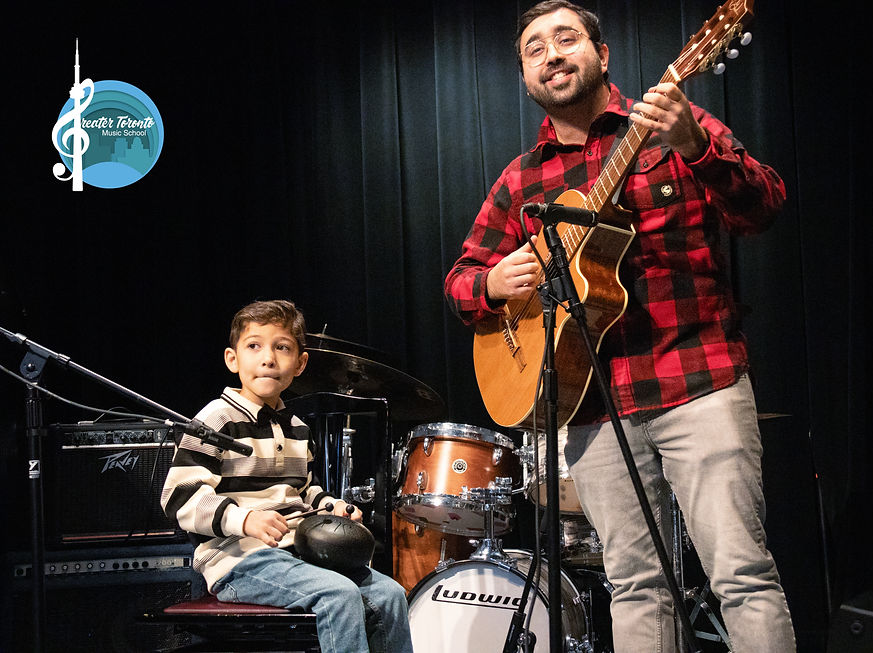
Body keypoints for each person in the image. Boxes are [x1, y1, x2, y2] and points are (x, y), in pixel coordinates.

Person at [444, 1, 796, 651]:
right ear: (525, 78)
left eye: (567, 38)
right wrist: (492, 284)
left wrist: (696, 144)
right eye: (535, 49)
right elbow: (461, 283)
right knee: (635, 583)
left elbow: (764, 204)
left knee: (741, 574)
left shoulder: (668, 127)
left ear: (601, 56)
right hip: (591, 401)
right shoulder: (522, 182)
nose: (552, 54)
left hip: (698, 376)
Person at [160, 299, 412, 653]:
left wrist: (332, 506)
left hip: (297, 552)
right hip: (237, 559)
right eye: (254, 346)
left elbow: (305, 490)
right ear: (232, 359)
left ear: (300, 364)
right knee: (337, 595)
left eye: (282, 348)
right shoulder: (215, 419)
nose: (268, 358)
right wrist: (245, 519)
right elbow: (179, 497)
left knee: (390, 594)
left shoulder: (296, 426)